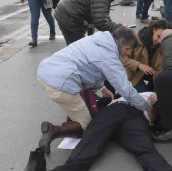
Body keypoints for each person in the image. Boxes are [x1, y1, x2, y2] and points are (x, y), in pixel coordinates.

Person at [27, 92, 172, 171]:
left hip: (136, 120)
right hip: (119, 108)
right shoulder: (154, 94)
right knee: (94, 139)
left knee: (143, 147)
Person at [34, 27, 154, 156]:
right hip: (61, 83)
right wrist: (146, 106)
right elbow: (125, 88)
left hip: (45, 71)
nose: (129, 54)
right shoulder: (109, 57)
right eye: (127, 49)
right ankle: (54, 130)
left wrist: (101, 87)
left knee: (79, 106)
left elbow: (88, 66)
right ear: (121, 44)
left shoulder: (99, 39)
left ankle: (72, 115)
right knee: (87, 124)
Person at [54, 0, 130, 45]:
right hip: (68, 16)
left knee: (78, 47)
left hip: (68, 13)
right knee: (79, 49)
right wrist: (121, 28)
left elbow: (101, 17)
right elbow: (102, 23)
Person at [123, 19, 172, 92]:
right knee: (146, 98)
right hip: (132, 72)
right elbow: (122, 59)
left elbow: (160, 69)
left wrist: (158, 90)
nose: (159, 41)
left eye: (163, 39)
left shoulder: (164, 45)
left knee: (155, 97)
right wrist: (139, 65)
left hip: (151, 74)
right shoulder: (135, 37)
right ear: (154, 29)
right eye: (158, 36)